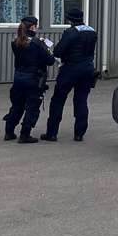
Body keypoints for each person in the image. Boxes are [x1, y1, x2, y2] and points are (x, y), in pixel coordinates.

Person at [41, 8, 98, 142]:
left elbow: (58, 51)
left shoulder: (71, 32)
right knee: (81, 101)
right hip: (87, 69)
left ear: (70, 19)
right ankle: (79, 133)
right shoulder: (92, 32)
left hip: (70, 70)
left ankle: (52, 133)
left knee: (58, 100)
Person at [4, 16, 54, 144]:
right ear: (32, 27)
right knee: (32, 107)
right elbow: (50, 60)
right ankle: (25, 134)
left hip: (18, 77)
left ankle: (9, 131)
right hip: (33, 78)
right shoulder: (37, 43)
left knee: (17, 105)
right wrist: (46, 48)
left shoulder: (15, 41)